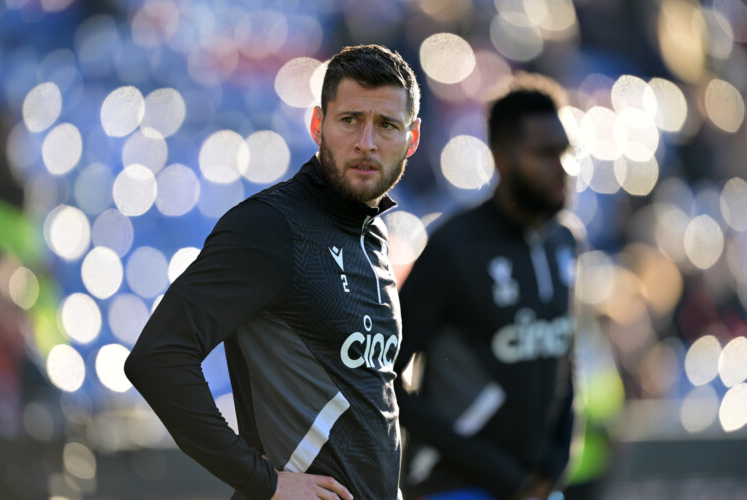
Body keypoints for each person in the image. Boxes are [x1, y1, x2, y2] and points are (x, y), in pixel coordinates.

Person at [125, 44, 421, 500]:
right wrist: (260, 480)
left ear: (411, 139)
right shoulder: (270, 227)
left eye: (386, 124)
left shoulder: (373, 236)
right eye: (350, 120)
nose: (367, 142)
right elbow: (157, 357)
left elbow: (369, 399)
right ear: (318, 125)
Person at [394, 74, 578, 500]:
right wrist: (495, 470)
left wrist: (557, 461)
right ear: (501, 158)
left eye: (566, 152)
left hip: (534, 485)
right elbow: (385, 375)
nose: (562, 168)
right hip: (454, 485)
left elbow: (565, 357)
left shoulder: (565, 242)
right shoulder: (454, 248)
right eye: (544, 154)